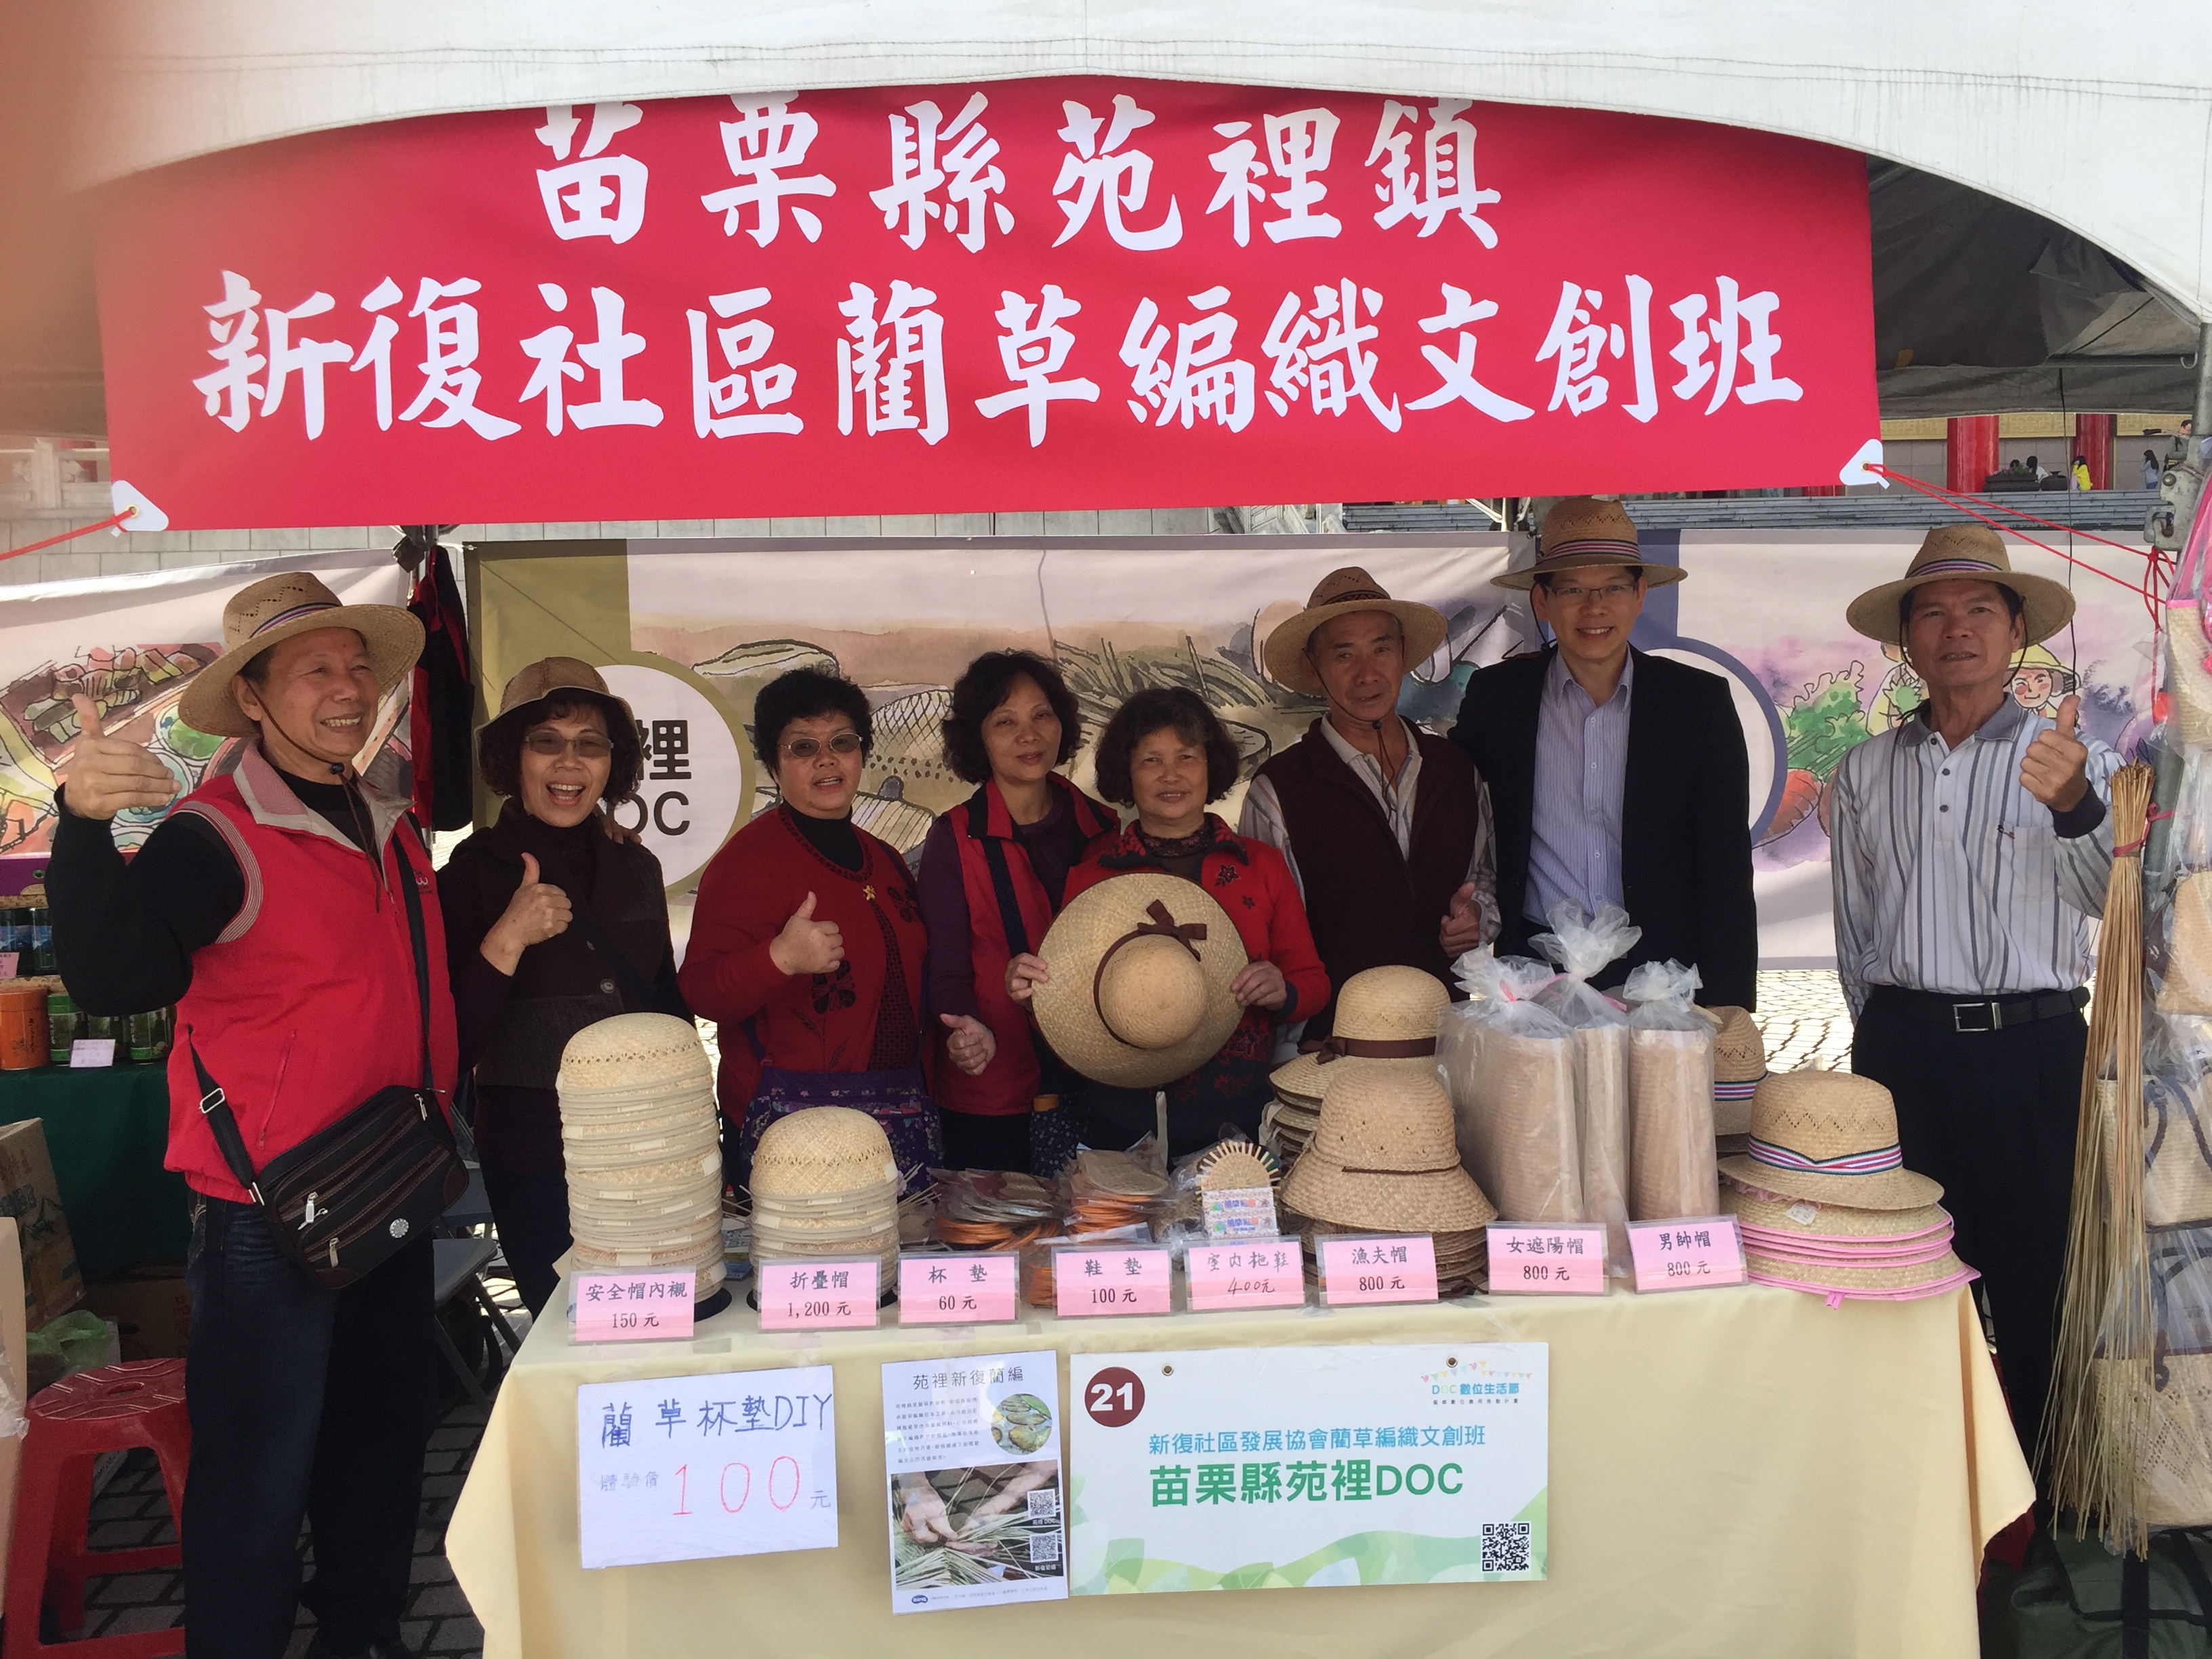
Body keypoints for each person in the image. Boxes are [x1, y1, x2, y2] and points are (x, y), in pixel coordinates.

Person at [46, 572, 451, 1659]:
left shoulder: (386, 820)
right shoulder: (213, 835)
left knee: (378, 1452)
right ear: (256, 700)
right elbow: (118, 980)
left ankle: (362, 1637)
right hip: (270, 1212)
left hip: (392, 1180)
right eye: (315, 669)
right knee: (255, 1488)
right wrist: (81, 828)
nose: (349, 688)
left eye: (358, 665)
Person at [1830, 523, 2118, 1467]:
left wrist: (2076, 809)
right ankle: (1925, 1481)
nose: (1957, 630)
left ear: (2017, 631)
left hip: (2035, 1052)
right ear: (1907, 641)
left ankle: (2044, 1491)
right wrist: (1881, 1041)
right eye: (1934, 614)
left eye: (1980, 610)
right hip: (1906, 1054)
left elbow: (2112, 906)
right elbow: (1856, 931)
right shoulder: (1867, 770)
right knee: (1909, 1280)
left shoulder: (2073, 760)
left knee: (2042, 1283)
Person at [436, 658, 688, 1316]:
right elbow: (449, 1046)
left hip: (650, 1152)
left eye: (590, 744)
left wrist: (696, 1130)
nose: (568, 762)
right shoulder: (472, 873)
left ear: (613, 761)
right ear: (512, 756)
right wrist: (508, 939)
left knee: (657, 1335)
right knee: (569, 1335)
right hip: (536, 1163)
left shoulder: (636, 864)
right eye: (546, 741)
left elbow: (667, 1005)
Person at [1450, 496, 1759, 1007]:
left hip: (1661, 972)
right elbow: (1456, 812)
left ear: (1640, 595)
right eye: (1572, 589)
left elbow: (1725, 866)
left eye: (1614, 587)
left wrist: (1731, 1004)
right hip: (1536, 970)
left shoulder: (1698, 703)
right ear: (1542, 601)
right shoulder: (1498, 699)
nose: (1594, 608)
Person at [1008, 687, 1328, 1154]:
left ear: (1211, 766)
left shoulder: (1261, 867)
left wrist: (1284, 991)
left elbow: (1313, 982)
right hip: (1123, 1124)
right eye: (1150, 760)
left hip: (1239, 1118)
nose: (1171, 775)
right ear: (1127, 774)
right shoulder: (1093, 877)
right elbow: (1067, 1016)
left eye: (1187, 757)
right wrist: (1032, 997)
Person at [680, 667, 943, 1185]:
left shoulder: (888, 861)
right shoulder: (746, 863)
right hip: (791, 1135)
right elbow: (701, 990)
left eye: (842, 742)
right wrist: (778, 959)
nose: (827, 759)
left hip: (899, 1120)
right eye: (803, 747)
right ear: (774, 765)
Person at [1241, 567, 1496, 1039]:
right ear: (1313, 668)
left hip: (1446, 1034)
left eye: (1381, 648)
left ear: (1403, 653)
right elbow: (1268, 932)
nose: (1367, 674)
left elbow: (1482, 878)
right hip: (1329, 1043)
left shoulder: (1456, 769)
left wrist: (1476, 918)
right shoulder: (1279, 789)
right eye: (1344, 655)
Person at [916, 651, 1116, 1172]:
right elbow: (945, 969)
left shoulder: (1104, 828)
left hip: (1100, 1080)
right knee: (996, 1225)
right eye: (1005, 722)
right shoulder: (954, 837)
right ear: (977, 738)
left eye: (1042, 715)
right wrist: (965, 1030)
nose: (1029, 735)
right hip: (993, 1088)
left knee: (1096, 1222)